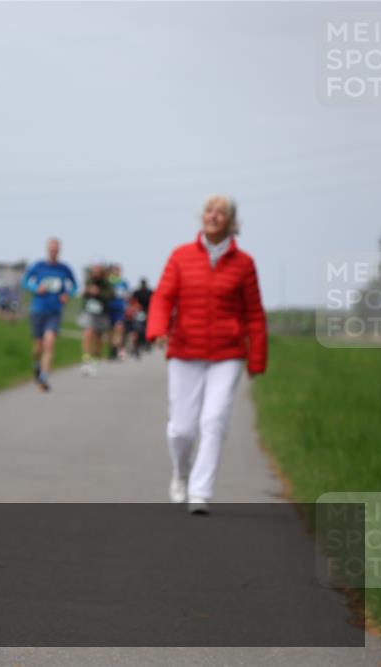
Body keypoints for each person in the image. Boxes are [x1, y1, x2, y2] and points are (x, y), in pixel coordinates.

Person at [146, 194, 267, 515]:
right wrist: (157, 328)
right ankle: (181, 472)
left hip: (227, 353)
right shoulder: (181, 256)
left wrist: (257, 357)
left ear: (232, 222)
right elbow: (163, 297)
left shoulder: (244, 264)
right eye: (209, 211)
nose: (213, 216)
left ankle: (200, 492)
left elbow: (255, 313)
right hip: (185, 349)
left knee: (214, 420)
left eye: (221, 212)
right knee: (182, 429)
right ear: (202, 217)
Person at [21, 238, 76, 391]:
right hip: (38, 309)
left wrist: (67, 294)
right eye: (51, 248)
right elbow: (25, 281)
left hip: (55, 311)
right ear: (47, 249)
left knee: (49, 343)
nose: (53, 251)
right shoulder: (39, 266)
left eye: (56, 248)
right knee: (38, 347)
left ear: (59, 250)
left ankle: (44, 377)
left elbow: (74, 285)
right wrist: (35, 288)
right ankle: (36, 366)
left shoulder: (64, 268)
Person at [78, 261, 114, 376]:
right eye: (95, 269)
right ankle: (86, 359)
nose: (96, 271)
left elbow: (111, 295)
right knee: (88, 333)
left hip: (102, 312)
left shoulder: (107, 282)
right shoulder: (88, 280)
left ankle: (95, 358)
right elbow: (82, 294)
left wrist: (99, 293)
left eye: (98, 269)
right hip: (89, 311)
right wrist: (87, 291)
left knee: (98, 337)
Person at [107, 264, 129, 360]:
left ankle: (116, 349)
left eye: (118, 270)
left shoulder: (123, 282)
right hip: (109, 309)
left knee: (119, 328)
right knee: (110, 331)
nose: (117, 272)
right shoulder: (108, 282)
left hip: (119, 309)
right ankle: (111, 349)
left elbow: (127, 295)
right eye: (115, 270)